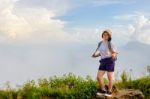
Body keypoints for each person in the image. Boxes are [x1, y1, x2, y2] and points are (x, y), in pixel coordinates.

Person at [91, 29, 117, 97]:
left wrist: (114, 55)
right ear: (102, 35)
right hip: (103, 61)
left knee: (110, 77)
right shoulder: (100, 43)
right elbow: (101, 52)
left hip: (110, 61)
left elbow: (114, 52)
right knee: (99, 77)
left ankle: (109, 91)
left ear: (109, 36)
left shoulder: (111, 44)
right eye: (104, 34)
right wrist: (95, 55)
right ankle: (103, 90)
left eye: (107, 35)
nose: (105, 36)